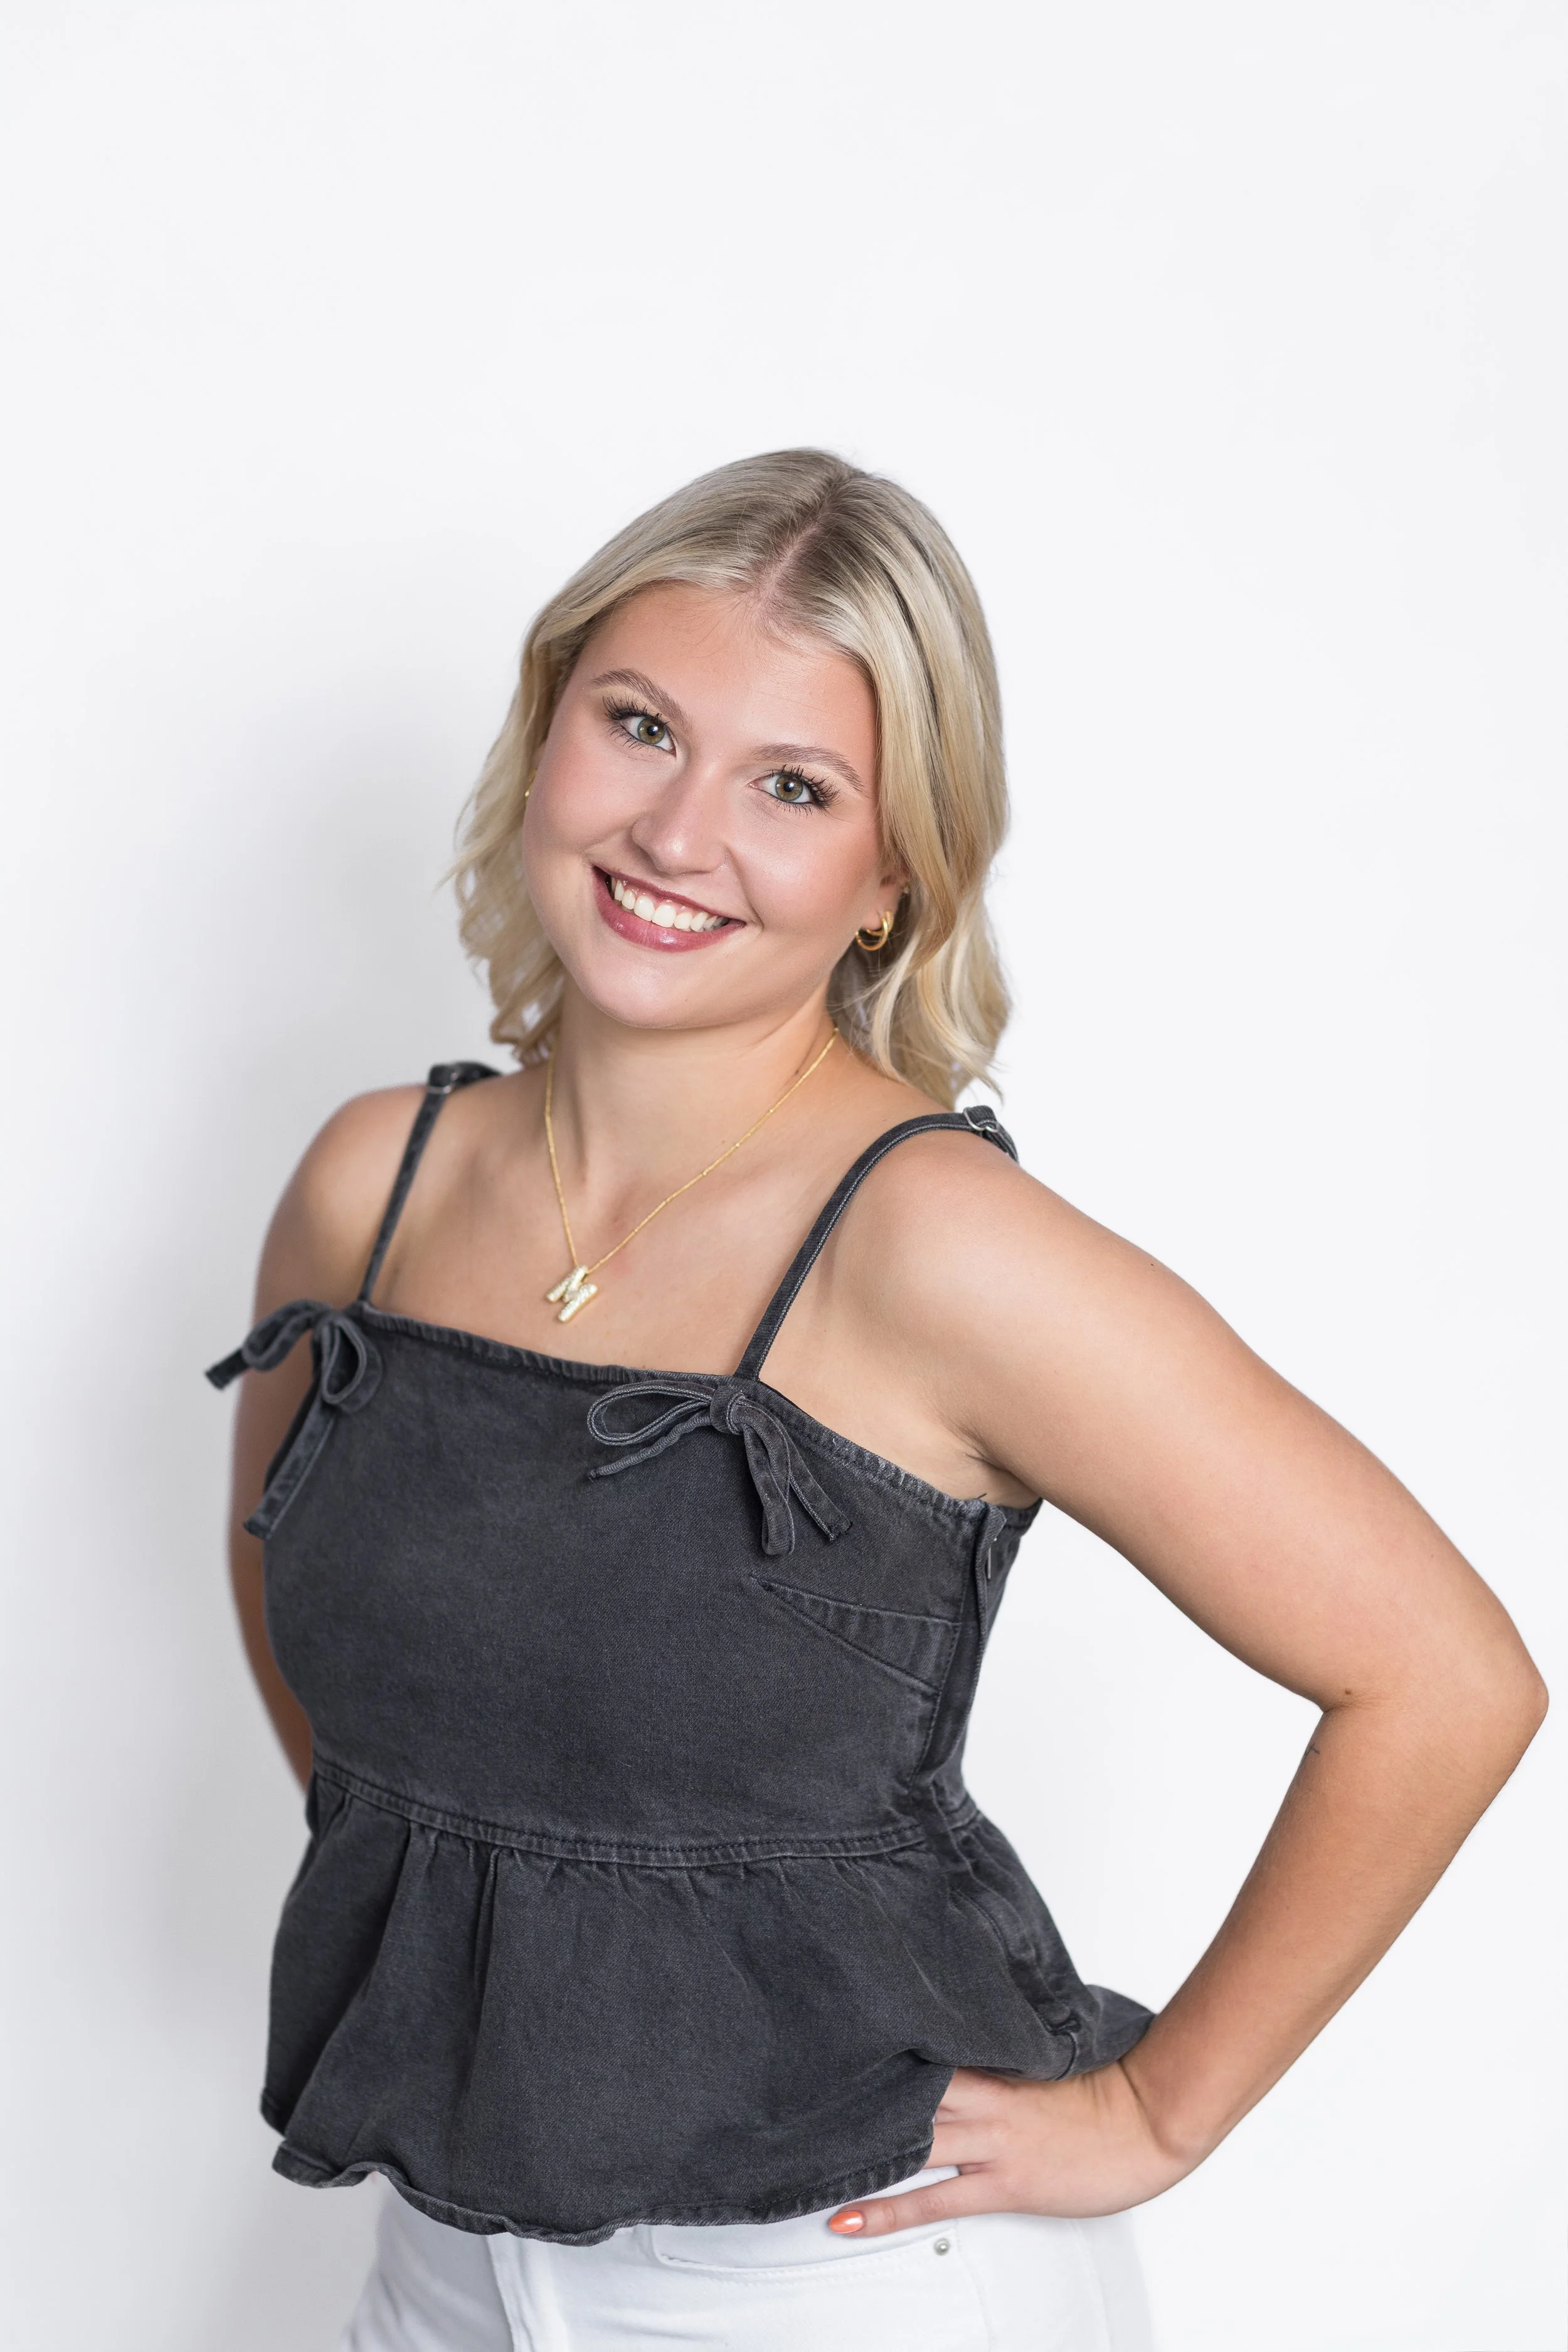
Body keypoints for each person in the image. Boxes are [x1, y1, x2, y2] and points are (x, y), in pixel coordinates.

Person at [211, 450, 1545, 2352]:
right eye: (639, 725)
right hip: (442, 2263)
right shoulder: (377, 1181)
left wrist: (1160, 2108)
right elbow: (316, 1627)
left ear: (889, 872)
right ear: (545, 725)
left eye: (791, 787)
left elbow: (1442, 1674)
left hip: (841, 2279)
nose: (680, 833)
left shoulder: (932, 1246)